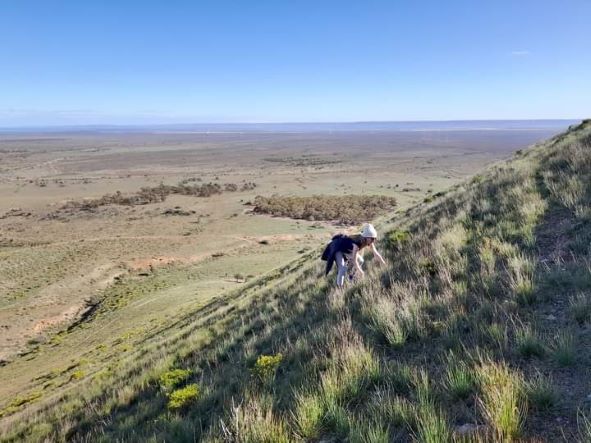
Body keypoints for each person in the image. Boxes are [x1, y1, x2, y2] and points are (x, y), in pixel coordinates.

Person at [321, 223, 387, 287]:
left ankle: (351, 278)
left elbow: (376, 254)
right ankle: (339, 287)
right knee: (342, 268)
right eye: (372, 238)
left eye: (374, 238)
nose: (374, 240)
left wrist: (384, 264)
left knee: (361, 260)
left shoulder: (369, 242)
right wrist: (360, 271)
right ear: (366, 237)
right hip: (338, 248)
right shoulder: (357, 243)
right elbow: (354, 260)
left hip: (347, 249)